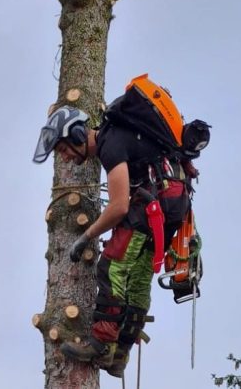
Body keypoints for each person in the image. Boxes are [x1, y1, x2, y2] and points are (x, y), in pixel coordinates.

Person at [33, 106, 191, 377]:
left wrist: (86, 236)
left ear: (78, 134)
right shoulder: (124, 139)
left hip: (153, 204)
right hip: (174, 204)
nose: (66, 158)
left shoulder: (111, 142)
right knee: (138, 281)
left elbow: (118, 207)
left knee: (111, 268)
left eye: (63, 149)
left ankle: (101, 344)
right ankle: (120, 356)